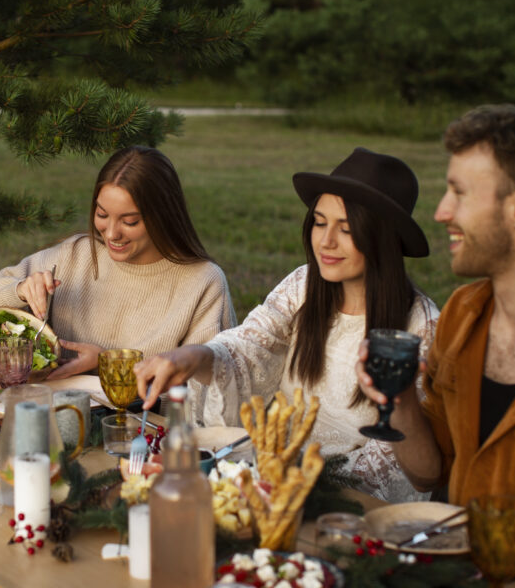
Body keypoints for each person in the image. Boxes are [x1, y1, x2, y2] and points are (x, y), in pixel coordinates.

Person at [136, 148, 438, 503]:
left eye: (346, 229)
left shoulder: (421, 329)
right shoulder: (304, 286)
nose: (325, 241)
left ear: (383, 237)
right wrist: (194, 356)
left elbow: (405, 466)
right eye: (320, 222)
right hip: (273, 478)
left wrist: (300, 486)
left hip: (348, 504)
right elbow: (248, 347)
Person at [357, 104, 515, 515]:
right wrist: (399, 403)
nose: (441, 212)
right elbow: (428, 474)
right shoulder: (462, 315)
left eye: (460, 192)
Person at [0, 145, 236, 379]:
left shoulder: (202, 282)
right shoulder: (74, 256)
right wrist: (18, 290)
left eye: (130, 221)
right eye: (102, 214)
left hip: (144, 435)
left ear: (163, 215)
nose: (112, 233)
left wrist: (108, 363)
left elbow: (212, 386)